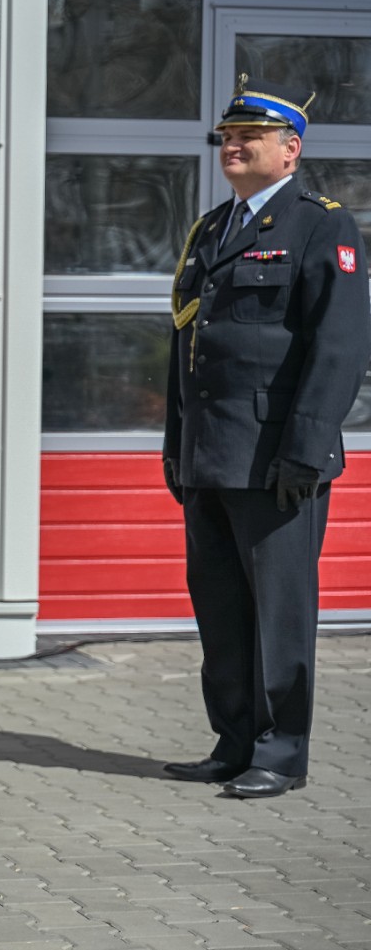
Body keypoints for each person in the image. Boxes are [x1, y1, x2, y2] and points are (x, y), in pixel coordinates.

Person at [161, 77, 370, 799]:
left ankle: (281, 753)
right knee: (220, 610)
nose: (233, 146)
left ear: (291, 151)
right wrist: (176, 443)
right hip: (211, 454)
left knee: (279, 615)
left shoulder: (321, 227)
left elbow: (339, 347)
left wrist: (307, 448)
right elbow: (187, 345)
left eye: (249, 136)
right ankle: (234, 741)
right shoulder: (212, 229)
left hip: (278, 458)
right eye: (227, 136)